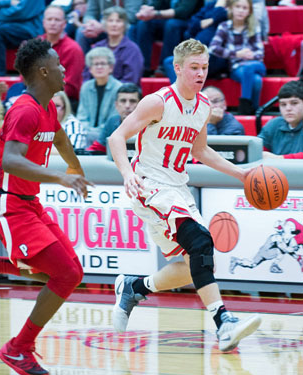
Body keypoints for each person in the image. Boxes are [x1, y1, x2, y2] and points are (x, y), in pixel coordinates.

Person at [108, 38, 261, 353]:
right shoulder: (157, 102)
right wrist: (127, 174)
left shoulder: (204, 105)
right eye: (194, 67)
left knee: (192, 264)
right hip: (149, 184)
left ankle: (133, 287)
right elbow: (116, 137)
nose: (200, 73)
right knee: (201, 241)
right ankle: (224, 323)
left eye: (204, 67)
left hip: (177, 187)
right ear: (177, 68)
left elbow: (201, 150)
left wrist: (240, 173)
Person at [0, 38, 92, 375]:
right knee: (64, 274)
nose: (65, 68)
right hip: (5, 204)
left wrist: (77, 170)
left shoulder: (48, 107)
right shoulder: (24, 110)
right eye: (59, 64)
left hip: (27, 203)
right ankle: (18, 348)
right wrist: (60, 177)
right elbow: (9, 161)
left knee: (70, 273)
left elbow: (61, 141)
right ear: (43, 70)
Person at [209, 0, 266, 115]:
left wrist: (250, 55)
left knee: (249, 68)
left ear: (249, 11)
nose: (241, 10)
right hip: (236, 67)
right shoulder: (224, 26)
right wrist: (237, 54)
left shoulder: (254, 27)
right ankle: (254, 110)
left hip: (256, 64)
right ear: (231, 9)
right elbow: (213, 48)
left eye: (245, 8)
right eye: (238, 7)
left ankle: (244, 105)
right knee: (256, 80)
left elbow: (260, 53)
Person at [134, 0, 202, 76]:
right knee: (144, 23)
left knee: (172, 24)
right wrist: (146, 11)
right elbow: (156, 5)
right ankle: (144, 67)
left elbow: (183, 12)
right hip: (169, 21)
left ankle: (163, 67)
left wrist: (155, 13)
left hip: (191, 23)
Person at [82, 6, 144, 86]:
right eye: (110, 21)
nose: (114, 24)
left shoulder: (132, 50)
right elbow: (87, 76)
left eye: (118, 21)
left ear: (124, 25)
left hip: (123, 95)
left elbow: (131, 81)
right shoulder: (97, 47)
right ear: (104, 25)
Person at [39, 5, 85, 112]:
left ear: (64, 24)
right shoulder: (36, 44)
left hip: (65, 101)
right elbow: (25, 76)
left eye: (57, 20)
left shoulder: (73, 49)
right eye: (49, 19)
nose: (53, 23)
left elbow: (69, 86)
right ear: (43, 22)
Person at [77, 46, 122, 147]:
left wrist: (91, 133)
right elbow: (81, 117)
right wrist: (87, 132)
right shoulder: (86, 87)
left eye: (103, 63)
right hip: (86, 134)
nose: (99, 67)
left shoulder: (118, 88)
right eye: (96, 64)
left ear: (110, 68)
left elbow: (113, 121)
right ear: (90, 69)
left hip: (109, 134)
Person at [87, 82, 142, 153]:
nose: (127, 106)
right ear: (116, 105)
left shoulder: (150, 124)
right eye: (123, 101)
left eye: (132, 101)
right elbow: (98, 148)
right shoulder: (111, 122)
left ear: (140, 104)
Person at [76, 0, 142, 54]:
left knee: (130, 29)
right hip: (102, 25)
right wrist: (92, 24)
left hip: (125, 26)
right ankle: (84, 67)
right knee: (82, 31)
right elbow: (89, 14)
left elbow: (131, 16)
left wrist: (104, 26)